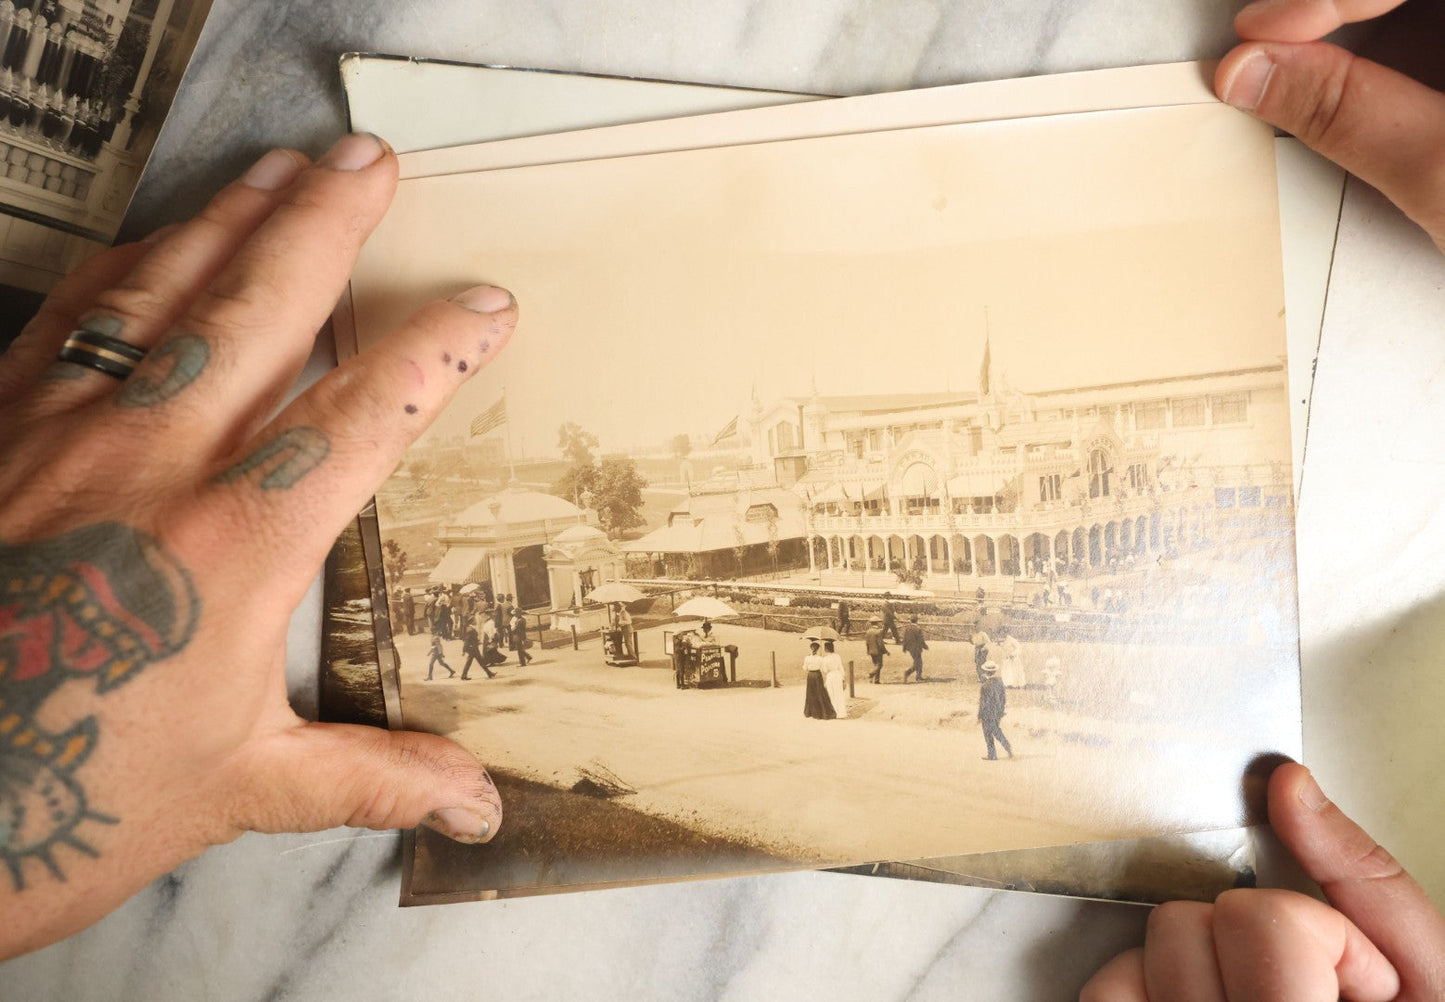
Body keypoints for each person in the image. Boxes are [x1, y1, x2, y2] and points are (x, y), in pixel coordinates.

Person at [976, 660, 1011, 760]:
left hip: (987, 713)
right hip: (997, 712)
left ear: (986, 672)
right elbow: (1003, 698)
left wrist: (979, 715)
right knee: (996, 731)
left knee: (987, 734)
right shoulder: (1000, 682)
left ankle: (992, 754)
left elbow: (983, 702)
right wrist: (1001, 710)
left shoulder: (985, 686)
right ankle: (1007, 747)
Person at [801, 640, 834, 720]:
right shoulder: (820, 658)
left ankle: (810, 712)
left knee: (810, 693)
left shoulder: (807, 658)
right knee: (819, 692)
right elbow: (823, 669)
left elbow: (805, 668)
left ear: (811, 648)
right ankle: (821, 712)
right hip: (817, 675)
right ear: (818, 649)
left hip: (810, 676)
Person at [821, 638, 846, 720]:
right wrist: (843, 678)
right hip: (838, 675)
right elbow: (840, 667)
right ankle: (841, 713)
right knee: (839, 694)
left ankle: (833, 712)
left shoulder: (825, 659)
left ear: (826, 649)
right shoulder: (837, 656)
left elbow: (825, 671)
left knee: (831, 694)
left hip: (831, 676)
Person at [901, 614, 927, 683]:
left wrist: (904, 647)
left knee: (919, 662)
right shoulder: (918, 629)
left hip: (910, 648)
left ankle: (918, 676)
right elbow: (920, 639)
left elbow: (904, 639)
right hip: (917, 648)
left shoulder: (907, 628)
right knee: (918, 663)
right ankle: (907, 673)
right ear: (917, 620)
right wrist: (925, 646)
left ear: (910, 620)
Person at [864, 615, 888, 683]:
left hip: (871, 651)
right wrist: (886, 651)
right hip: (878, 651)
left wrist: (868, 650)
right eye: (879, 622)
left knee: (876, 665)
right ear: (877, 623)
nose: (880, 623)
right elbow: (880, 643)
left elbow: (867, 643)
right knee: (879, 665)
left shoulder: (868, 631)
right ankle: (871, 674)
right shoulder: (878, 631)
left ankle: (876, 680)